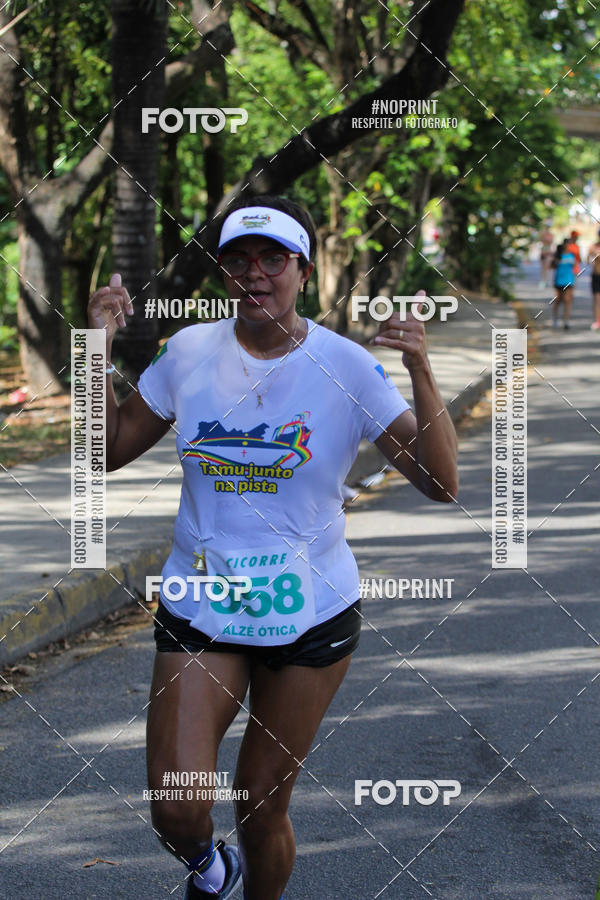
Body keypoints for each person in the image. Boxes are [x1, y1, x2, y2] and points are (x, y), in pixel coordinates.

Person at [87, 195, 458, 899]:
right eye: (237, 259)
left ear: (302, 269)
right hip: (204, 605)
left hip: (312, 614)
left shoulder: (345, 367)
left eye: (272, 258)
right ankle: (211, 869)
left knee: (261, 808)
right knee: (177, 810)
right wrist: (94, 347)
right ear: (223, 270)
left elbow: (441, 482)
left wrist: (422, 372)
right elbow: (101, 453)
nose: (254, 273)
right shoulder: (190, 352)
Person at [551, 239, 576, 330]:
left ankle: (566, 321)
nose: (569, 246)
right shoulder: (558, 254)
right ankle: (555, 319)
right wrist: (556, 261)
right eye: (567, 244)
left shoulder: (572, 255)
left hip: (569, 281)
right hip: (559, 281)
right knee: (558, 300)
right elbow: (552, 266)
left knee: (567, 300)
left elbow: (575, 267)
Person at [587, 228, 600, 330]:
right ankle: (597, 321)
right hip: (596, 276)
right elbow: (587, 261)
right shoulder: (593, 247)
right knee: (596, 299)